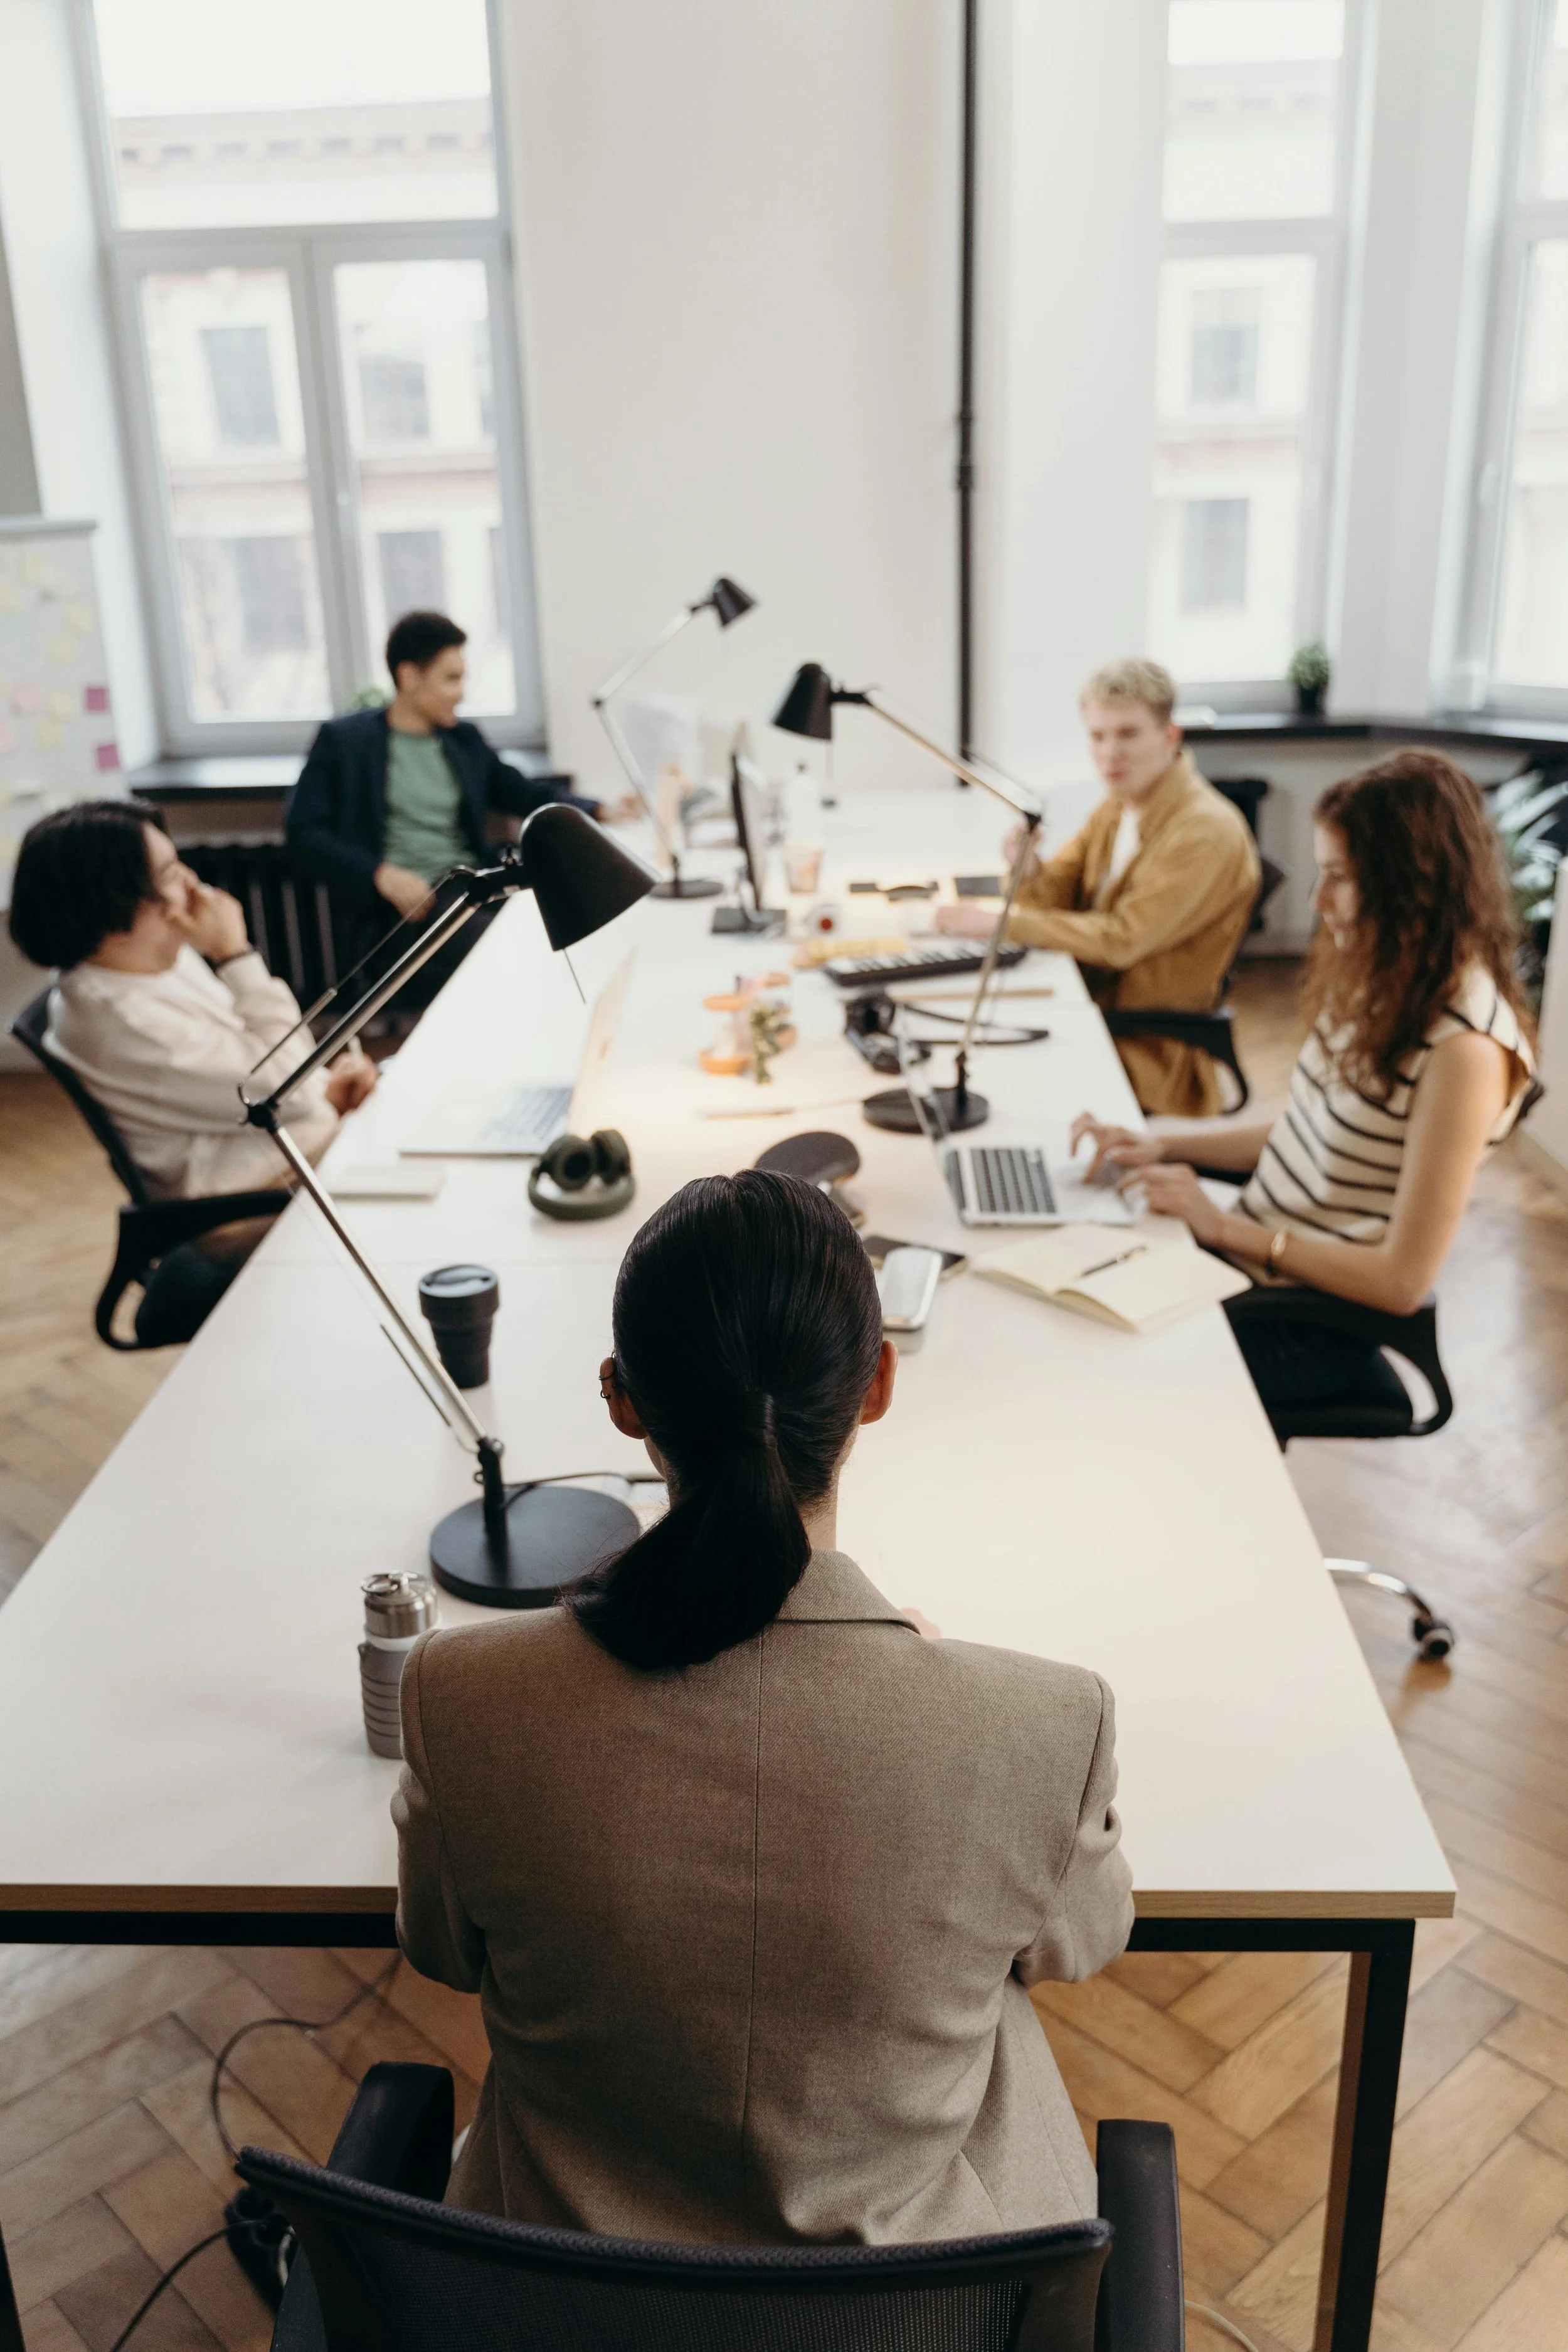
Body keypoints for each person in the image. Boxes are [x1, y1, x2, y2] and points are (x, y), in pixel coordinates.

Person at [395, 1170, 1133, 2243]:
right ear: (877, 1382)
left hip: (571, 2317)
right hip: (920, 2324)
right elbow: (1085, 1940)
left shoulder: (461, 1700)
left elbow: (440, 1948)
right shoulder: (1043, 1728)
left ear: (621, 1397)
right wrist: (930, 1699)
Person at [1073, 751, 1535, 1413]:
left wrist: (1225, 1230)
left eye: (1340, 878)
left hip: (1309, 1323)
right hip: (1256, 1273)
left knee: (1097, 1383)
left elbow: (1401, 1283)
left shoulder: (1464, 1049)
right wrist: (1162, 1144)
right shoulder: (1388, 979)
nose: (1317, 903)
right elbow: (1309, 1135)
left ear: (1414, 882)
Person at [8, 799, 376, 1205]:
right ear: (115, 912)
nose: (191, 881)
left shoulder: (160, 956)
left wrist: (325, 1088)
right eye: (169, 873)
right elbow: (284, 1091)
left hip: (286, 1145)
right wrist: (235, 955)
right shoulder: (124, 1021)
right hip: (252, 1195)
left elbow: (260, 1069)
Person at [936, 658, 1259, 1116]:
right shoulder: (1119, 806)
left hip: (1144, 1046)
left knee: (987, 1078)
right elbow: (1060, 894)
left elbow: (1121, 939)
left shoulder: (1204, 832)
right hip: (1092, 1006)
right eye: (1098, 736)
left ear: (1170, 736)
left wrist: (1001, 922)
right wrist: (1028, 870)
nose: (1110, 754)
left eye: (1128, 734)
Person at [287, 610, 633, 981]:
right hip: (408, 906)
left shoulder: (463, 740)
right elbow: (303, 834)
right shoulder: (345, 742)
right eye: (451, 679)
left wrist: (599, 809)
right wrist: (380, 875)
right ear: (408, 677)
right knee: (518, 957)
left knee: (571, 920)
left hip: (472, 883)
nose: (461, 693)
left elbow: (523, 793)